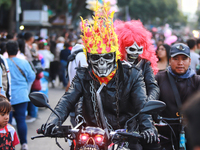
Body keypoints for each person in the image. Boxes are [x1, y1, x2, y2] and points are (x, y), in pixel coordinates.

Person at [42, 3, 160, 150]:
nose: (102, 63)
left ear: (115, 56)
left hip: (124, 136)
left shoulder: (132, 74)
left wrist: (148, 128)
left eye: (107, 57)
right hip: (89, 137)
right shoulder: (83, 74)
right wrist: (53, 120)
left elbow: (142, 106)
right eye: (96, 58)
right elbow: (67, 100)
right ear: (89, 58)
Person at [155, 43, 200, 150]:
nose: (180, 63)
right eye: (176, 59)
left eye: (184, 59)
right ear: (170, 61)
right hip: (165, 135)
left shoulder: (197, 81)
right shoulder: (159, 78)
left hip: (191, 135)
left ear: (189, 61)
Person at [114, 20, 159, 101]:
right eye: (132, 49)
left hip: (140, 107)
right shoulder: (113, 64)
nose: (135, 53)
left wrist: (148, 103)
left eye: (139, 50)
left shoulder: (144, 64)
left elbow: (153, 87)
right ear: (122, 47)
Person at [6, 40, 36, 150]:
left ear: (6, 50)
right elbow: (32, 77)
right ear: (18, 50)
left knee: (6, 122)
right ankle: (24, 144)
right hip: (21, 95)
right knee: (21, 120)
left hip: (6, 97)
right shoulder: (24, 62)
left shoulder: (4, 62)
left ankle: (7, 144)